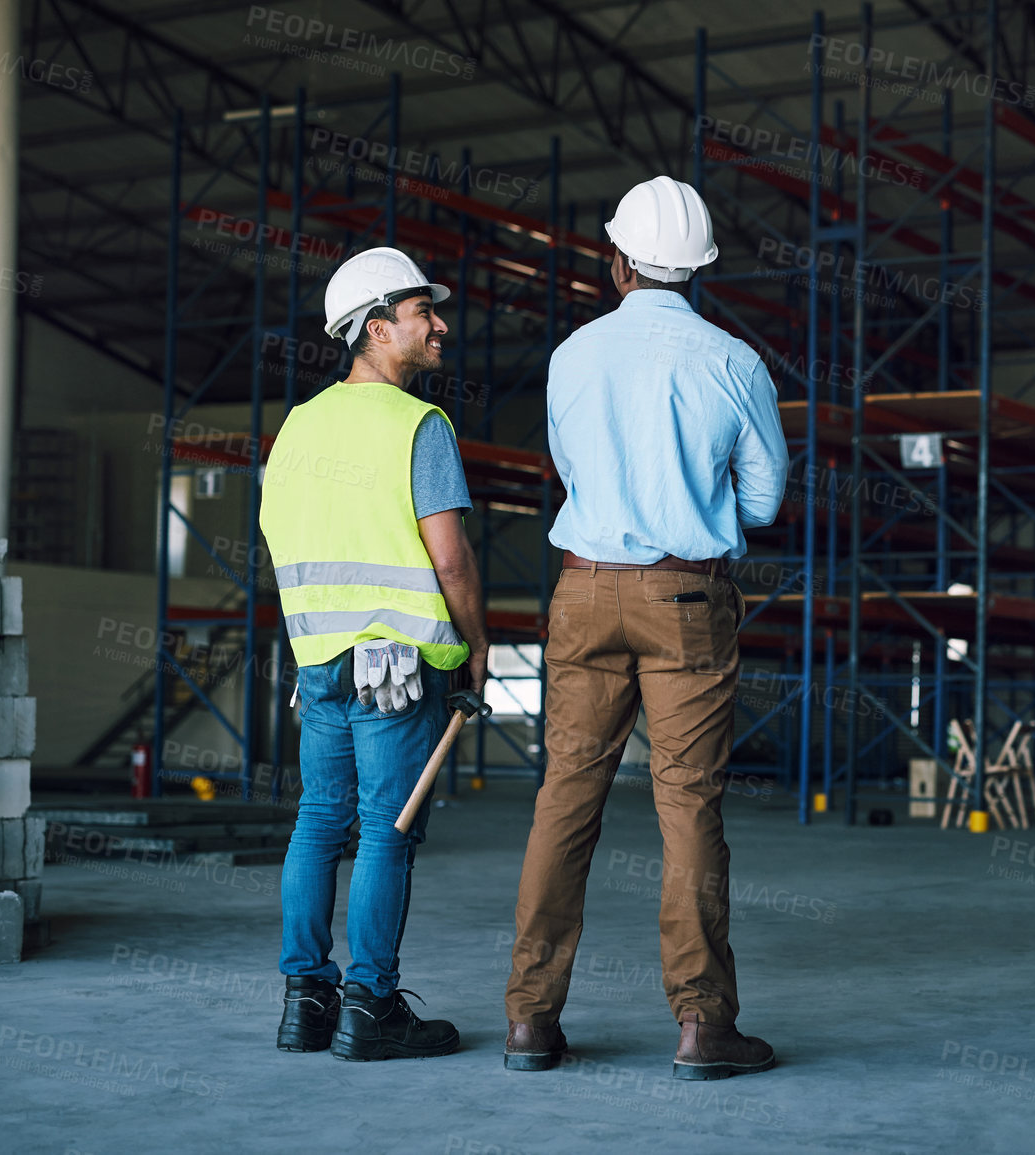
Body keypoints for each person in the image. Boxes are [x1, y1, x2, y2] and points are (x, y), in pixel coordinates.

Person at [504, 176, 788, 1080]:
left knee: (565, 797)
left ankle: (530, 1021)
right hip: (685, 599)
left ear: (616, 259)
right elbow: (766, 499)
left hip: (583, 592)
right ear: (697, 269)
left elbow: (570, 467)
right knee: (687, 806)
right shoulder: (733, 362)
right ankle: (703, 1025)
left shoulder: (572, 357)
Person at [259, 246, 490, 1061]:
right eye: (424, 312)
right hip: (397, 668)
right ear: (375, 326)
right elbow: (451, 559)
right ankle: (371, 1008)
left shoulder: (298, 426)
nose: (440, 325)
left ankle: (305, 1003)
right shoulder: (416, 424)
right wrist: (474, 643)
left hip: (316, 662)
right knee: (387, 832)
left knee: (319, 821)